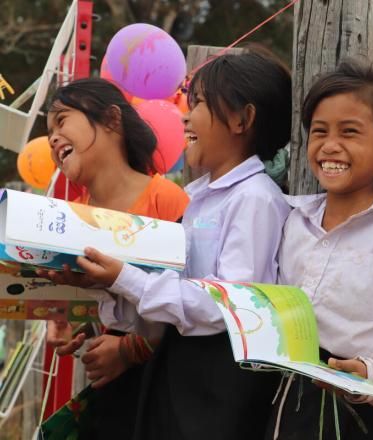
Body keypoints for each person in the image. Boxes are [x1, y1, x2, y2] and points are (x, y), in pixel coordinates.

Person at [42, 50, 292, 439]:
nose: (186, 116)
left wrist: (127, 280)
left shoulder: (254, 199)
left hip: (216, 390)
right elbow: (168, 301)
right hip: (179, 378)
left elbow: (231, 304)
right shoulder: (201, 198)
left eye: (200, 104)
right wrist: (102, 296)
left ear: (243, 119)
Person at [43, 77, 189, 438]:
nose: (52, 138)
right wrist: (81, 327)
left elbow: (193, 299)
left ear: (111, 119)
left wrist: (131, 350)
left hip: (163, 393)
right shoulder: (70, 216)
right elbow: (108, 303)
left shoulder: (167, 199)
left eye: (61, 121)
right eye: (49, 131)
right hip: (112, 401)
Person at [265, 60, 373, 440]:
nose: (330, 146)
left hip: (361, 412)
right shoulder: (291, 219)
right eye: (319, 132)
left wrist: (370, 373)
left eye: (350, 132)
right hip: (285, 400)